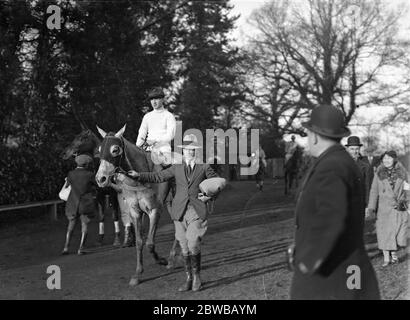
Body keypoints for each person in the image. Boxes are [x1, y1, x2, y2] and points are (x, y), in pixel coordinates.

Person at [289, 104, 380, 300]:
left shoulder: (331, 166)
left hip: (331, 276)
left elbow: (331, 215)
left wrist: (307, 259)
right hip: (344, 270)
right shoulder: (340, 161)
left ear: (314, 135)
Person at [128, 134, 219, 292]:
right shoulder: (176, 168)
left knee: (193, 243)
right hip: (179, 212)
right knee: (184, 246)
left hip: (196, 210)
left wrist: (209, 196)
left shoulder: (204, 167)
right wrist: (139, 175)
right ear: (183, 152)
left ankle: (197, 276)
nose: (189, 152)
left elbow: (217, 183)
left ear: (195, 151)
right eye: (186, 150)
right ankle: (188, 278)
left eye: (192, 150)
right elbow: (158, 176)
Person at [134, 86, 176, 242]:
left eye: (157, 99)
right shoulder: (147, 117)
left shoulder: (168, 115)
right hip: (147, 150)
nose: (154, 102)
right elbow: (141, 133)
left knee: (168, 168)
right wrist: (139, 146)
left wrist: (156, 141)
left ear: (163, 99)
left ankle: (172, 195)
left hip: (163, 149)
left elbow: (171, 134)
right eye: (152, 99)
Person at [367, 150, 409, 267]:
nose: (386, 161)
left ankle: (394, 254)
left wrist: (403, 203)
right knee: (384, 233)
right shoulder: (379, 173)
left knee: (398, 234)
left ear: (394, 159)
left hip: (398, 208)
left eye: (389, 158)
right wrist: (371, 207)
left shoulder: (403, 172)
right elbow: (374, 191)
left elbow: (408, 189)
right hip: (384, 209)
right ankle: (386, 258)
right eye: (384, 158)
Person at [62, 154, 98, 255]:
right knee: (85, 225)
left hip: (73, 202)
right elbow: (97, 185)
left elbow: (67, 185)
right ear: (86, 164)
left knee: (71, 225)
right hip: (85, 203)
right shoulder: (90, 174)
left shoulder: (71, 173)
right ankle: (81, 248)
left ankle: (66, 247)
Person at [345, 136, 374, 209]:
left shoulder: (366, 167)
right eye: (352, 149)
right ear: (347, 149)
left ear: (359, 149)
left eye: (357, 149)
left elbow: (368, 187)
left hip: (359, 204)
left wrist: (367, 205)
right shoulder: (340, 164)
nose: (354, 152)